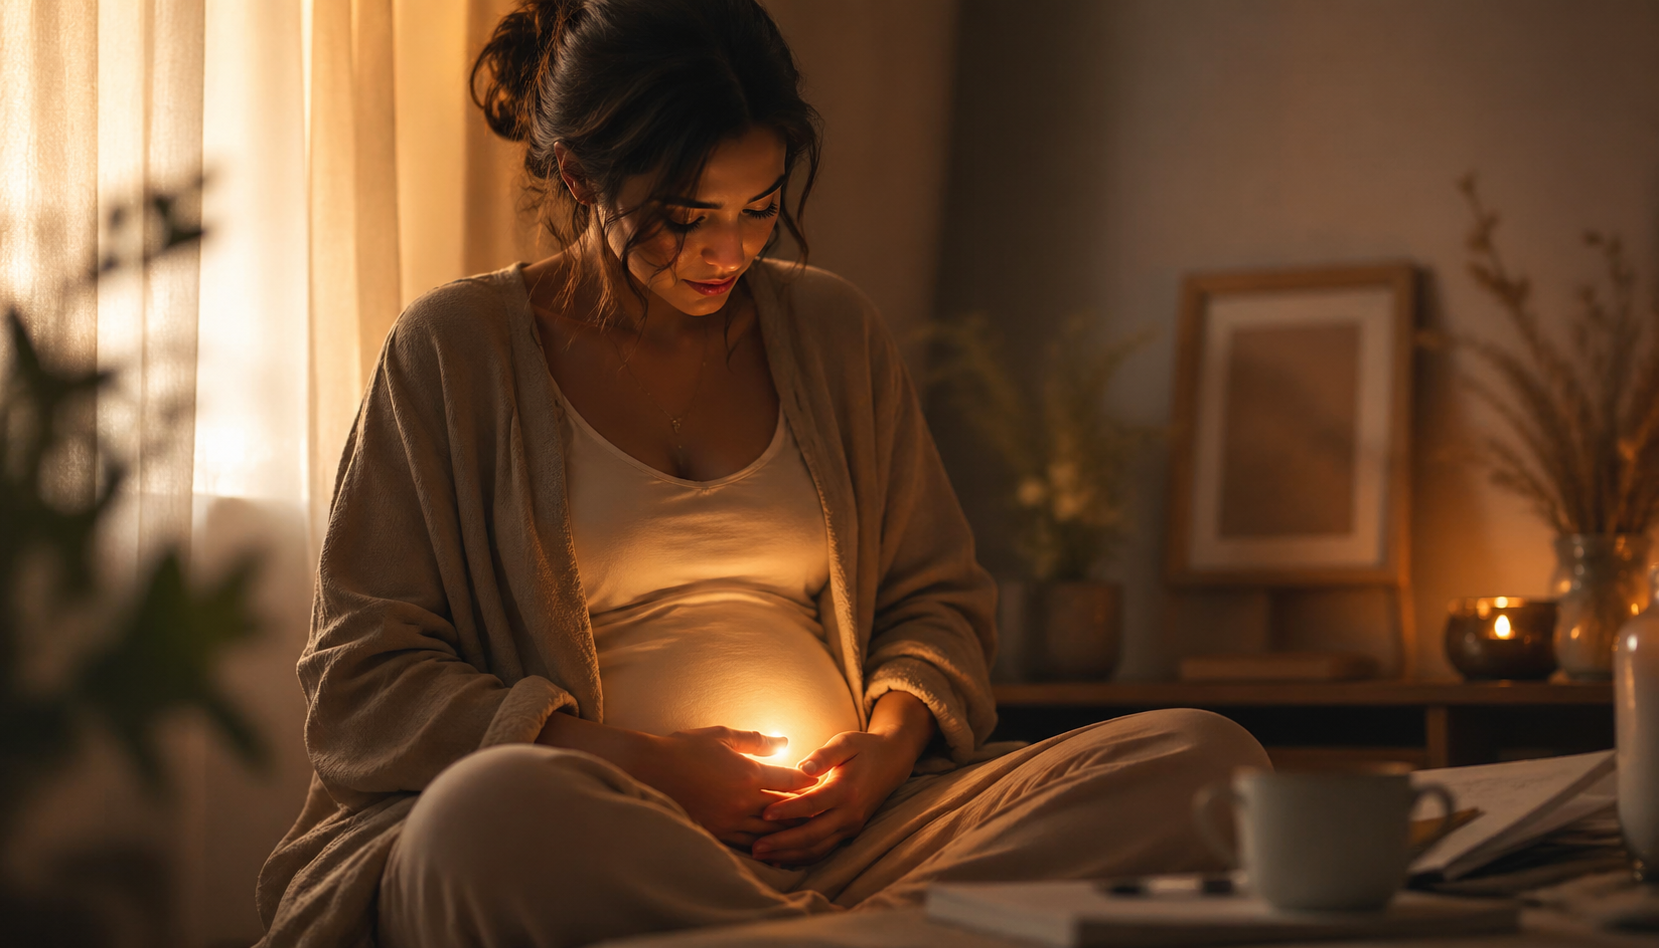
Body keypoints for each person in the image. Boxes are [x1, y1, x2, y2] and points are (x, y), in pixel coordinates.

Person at [254, 1, 1269, 946]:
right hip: (609, 831)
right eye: (687, 217)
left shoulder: (829, 329)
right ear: (579, 176)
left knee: (1208, 764)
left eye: (761, 207)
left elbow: (937, 599)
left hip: (859, 839)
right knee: (479, 824)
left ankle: (802, 932)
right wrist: (643, 766)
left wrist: (885, 747)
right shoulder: (456, 350)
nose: (727, 250)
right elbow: (364, 679)